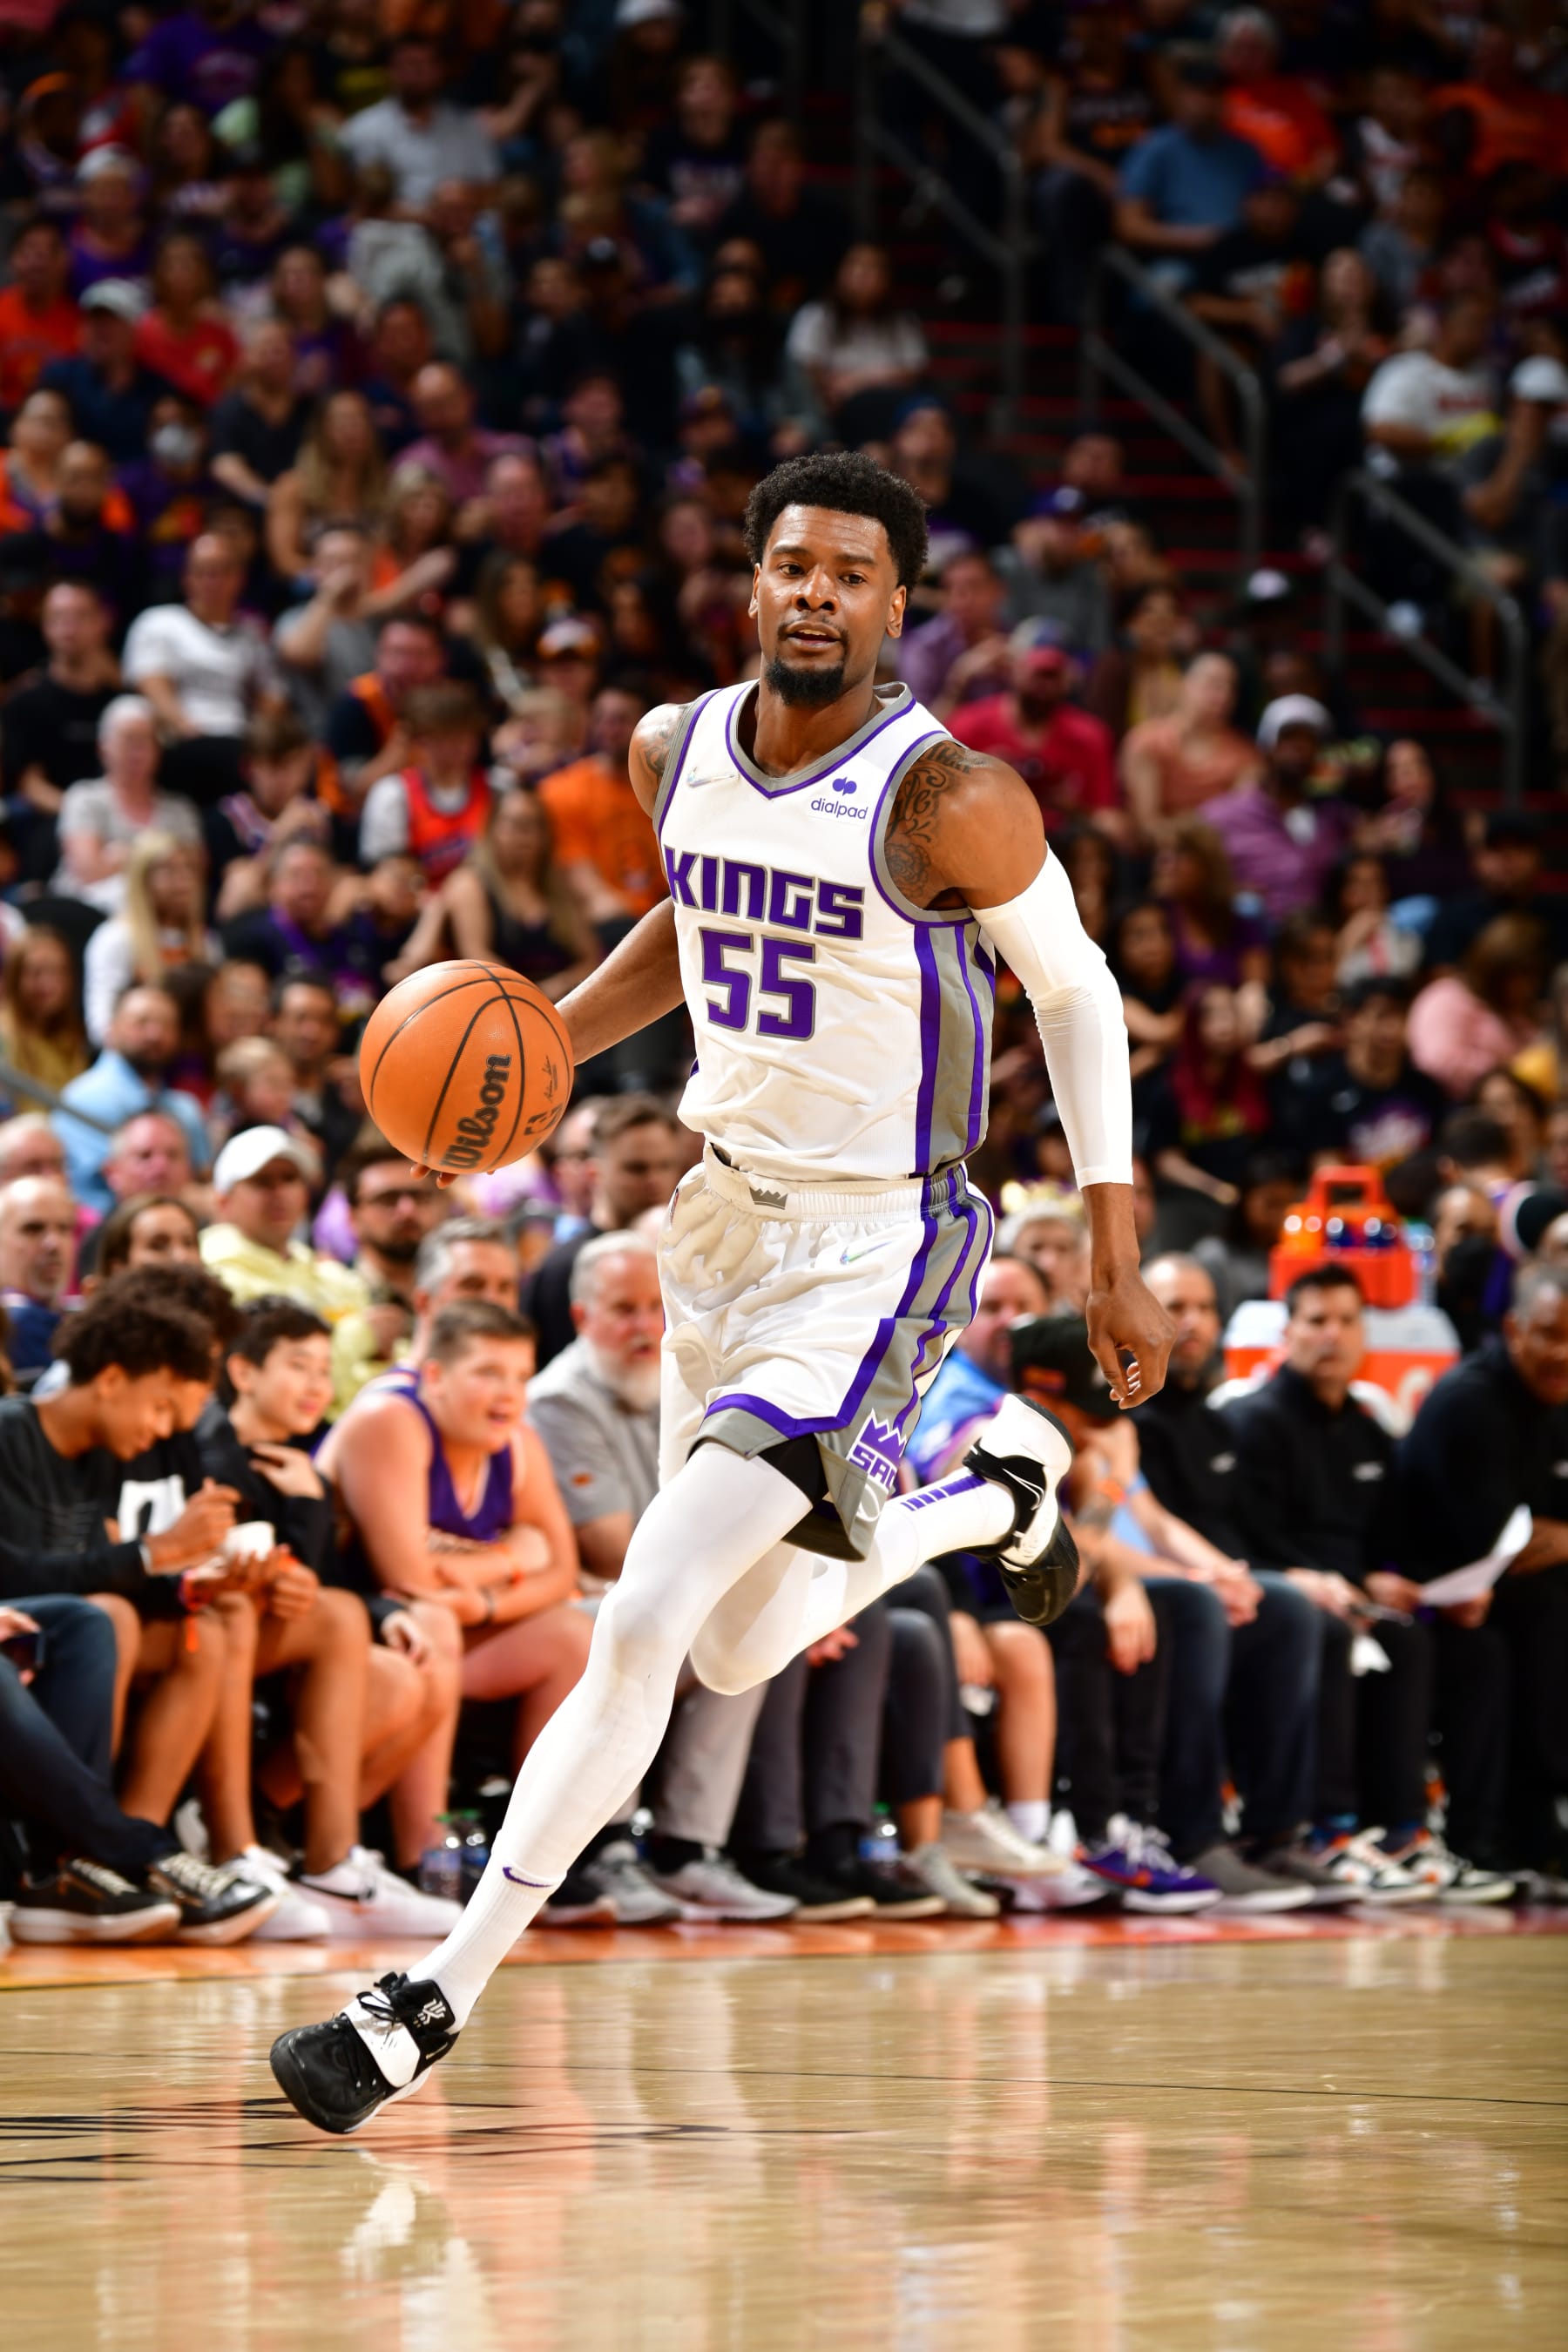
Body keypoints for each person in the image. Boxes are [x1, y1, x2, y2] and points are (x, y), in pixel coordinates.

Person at [270, 448, 1170, 2133]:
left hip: (879, 1247)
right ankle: (995, 1502)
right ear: (750, 582)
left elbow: (1085, 996)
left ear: (900, 606)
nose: (814, 592)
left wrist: (1113, 1254)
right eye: (791, 565)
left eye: (850, 572)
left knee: (648, 1608)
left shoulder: (945, 799)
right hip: (719, 1225)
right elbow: (686, 932)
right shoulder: (672, 748)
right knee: (744, 1646)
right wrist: (525, 1055)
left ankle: (429, 1995)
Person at [1223, 1266, 1512, 1902]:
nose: (1333, 1335)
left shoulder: (1369, 1428)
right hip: (1287, 1595)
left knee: (1472, 1646)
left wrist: (1432, 1584)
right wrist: (1341, 1586)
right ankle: (1332, 1828)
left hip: (1362, 1599)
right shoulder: (1253, 1421)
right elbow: (1247, 1540)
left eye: (1347, 1321)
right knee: (1345, 1629)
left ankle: (1434, 1832)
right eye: (1317, 1321)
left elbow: (1397, 1539)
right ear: (1288, 1332)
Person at [0, 1283, 277, 1943]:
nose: (159, 1431)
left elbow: (91, 1573)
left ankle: (66, 1867)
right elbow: (14, 1573)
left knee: (95, 1621)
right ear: (113, 1378)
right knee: (97, 1616)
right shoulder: (9, 1429)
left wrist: (185, 1581)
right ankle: (129, 1847)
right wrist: (153, 1551)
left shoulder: (100, 1460)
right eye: (157, 1408)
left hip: (38, 1626)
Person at [527, 1231, 789, 1924]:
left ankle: (688, 1850)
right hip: (586, 1589)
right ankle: (609, 1845)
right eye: (624, 1309)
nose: (646, 1326)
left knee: (751, 1630)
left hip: (674, 1579)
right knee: (643, 1625)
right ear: (583, 1317)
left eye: (655, 1307)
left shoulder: (685, 1376)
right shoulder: (559, 1400)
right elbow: (612, 1544)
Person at [317, 1300, 592, 1865]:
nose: (509, 1394)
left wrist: (484, 1596)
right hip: (348, 1627)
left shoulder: (515, 1440)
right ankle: (425, 1854)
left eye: (520, 1375)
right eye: (488, 1373)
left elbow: (562, 1572)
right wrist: (515, 1554)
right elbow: (411, 1578)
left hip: (442, 1625)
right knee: (435, 1621)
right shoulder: (390, 1419)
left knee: (573, 1635)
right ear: (436, 1376)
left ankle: (538, 1859)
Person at [198, 1125, 373, 1414]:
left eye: (289, 1179)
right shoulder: (210, 1275)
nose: (279, 1193)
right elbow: (268, 1384)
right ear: (223, 1201)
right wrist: (364, 1334)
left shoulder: (332, 1274)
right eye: (262, 1182)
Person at [522, 1095, 683, 1368]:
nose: (654, 1180)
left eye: (665, 1165)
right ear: (595, 1173)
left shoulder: (686, 1255)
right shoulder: (561, 1269)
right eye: (636, 1168)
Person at [947, 621, 1119, 835]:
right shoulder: (969, 725)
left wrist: (1075, 808)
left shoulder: (1089, 736)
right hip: (987, 839)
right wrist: (984, 780)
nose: (1044, 687)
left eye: (1052, 675)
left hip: (1063, 848)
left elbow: (1112, 822)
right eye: (1038, 673)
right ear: (1015, 669)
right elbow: (941, 803)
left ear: (1068, 679)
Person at [56, 983, 211, 1215]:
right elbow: (108, 1190)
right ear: (112, 1029)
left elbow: (204, 1179)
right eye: (142, 1022)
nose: (155, 1034)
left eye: (166, 1025)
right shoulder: (84, 1099)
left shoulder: (184, 1108)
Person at [1198, 697, 1355, 923]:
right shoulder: (1221, 815)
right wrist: (1228, 892)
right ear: (1266, 748)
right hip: (1251, 941)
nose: (1299, 748)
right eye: (1288, 738)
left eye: (1309, 740)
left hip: (1318, 942)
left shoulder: (1335, 818)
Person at [51, 697, 204, 917]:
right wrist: (156, 864)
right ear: (103, 747)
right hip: (87, 915)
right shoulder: (84, 797)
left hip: (161, 917)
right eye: (128, 740)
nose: (137, 751)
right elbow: (88, 870)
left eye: (145, 741)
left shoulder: (179, 810)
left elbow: (192, 873)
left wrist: (122, 858)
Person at [0, 1173, 78, 1377]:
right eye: (33, 1229)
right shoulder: (18, 1321)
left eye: (64, 1229)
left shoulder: (75, 1311)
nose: (53, 1243)